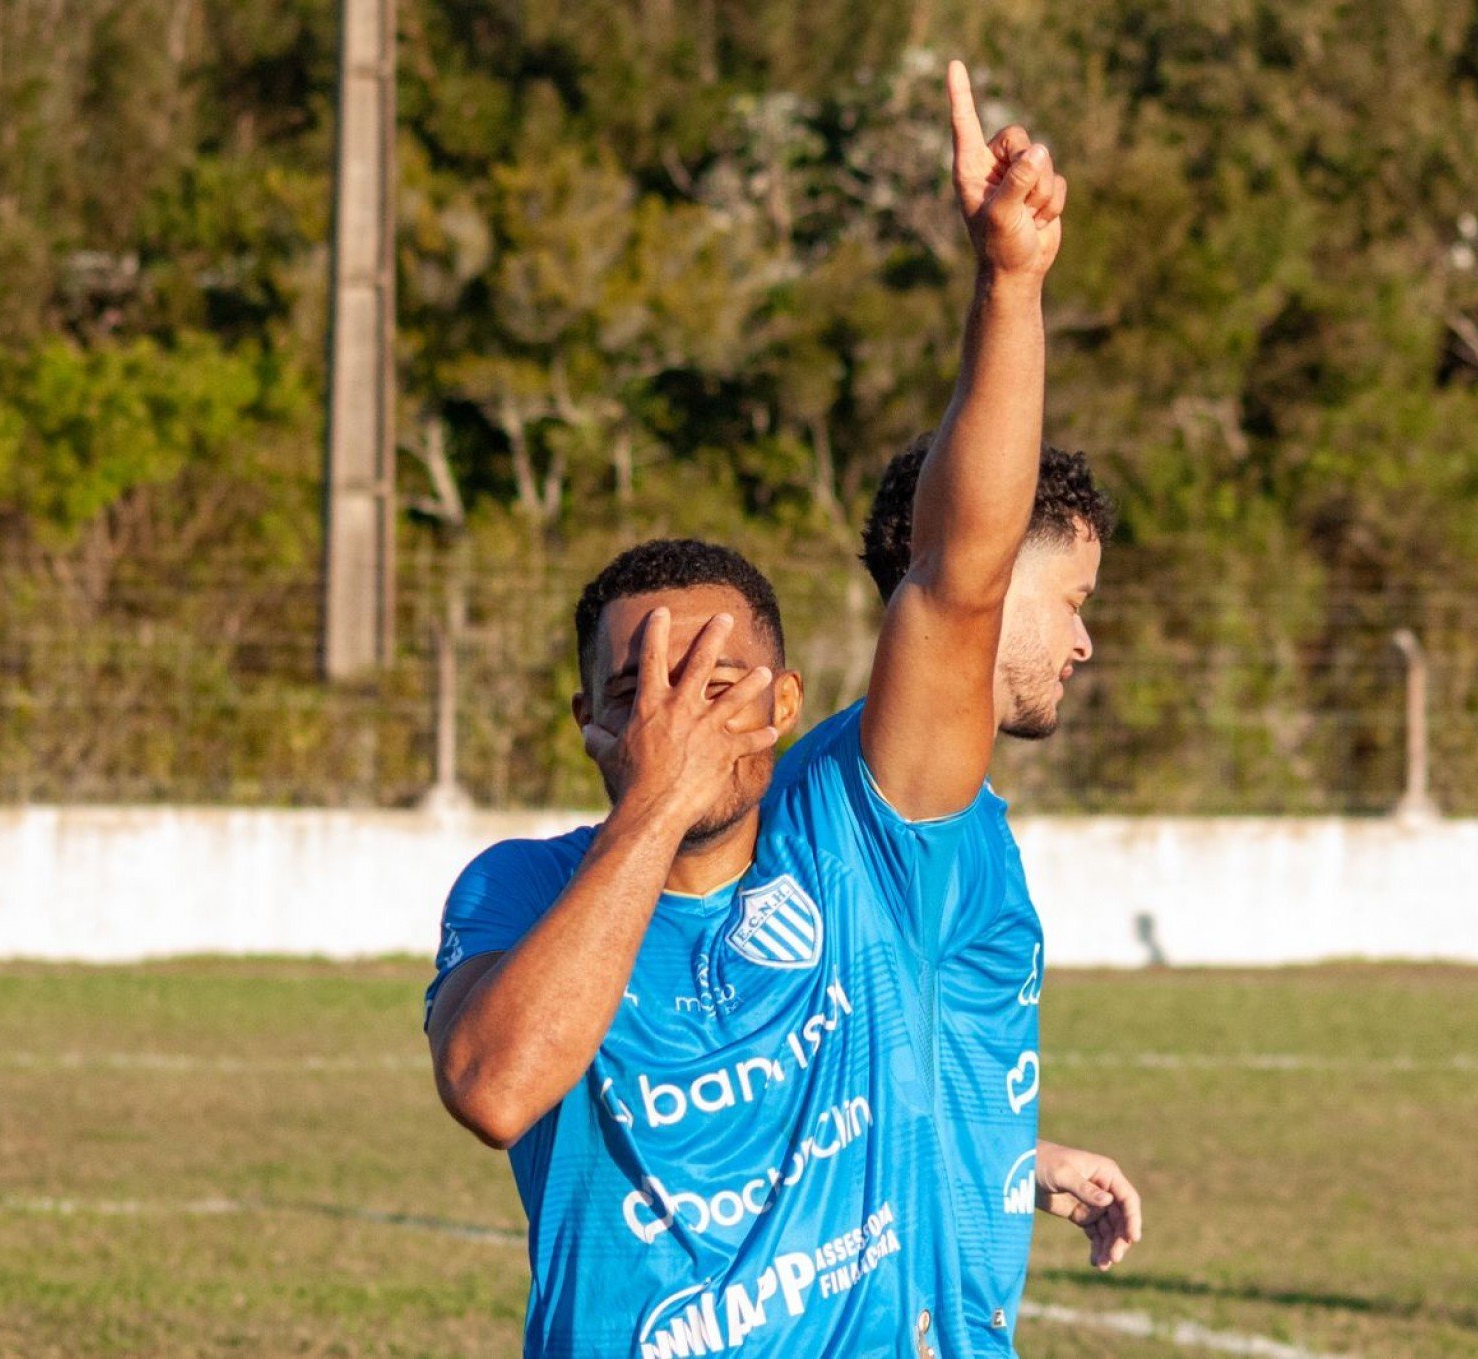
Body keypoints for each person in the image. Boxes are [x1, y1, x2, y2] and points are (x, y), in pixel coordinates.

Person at [424, 61, 1135, 1357]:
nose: (690, 708)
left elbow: (960, 581)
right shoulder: (518, 894)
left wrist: (1009, 288)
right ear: (587, 717)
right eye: (646, 686)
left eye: (724, 681)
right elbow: (494, 1083)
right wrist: (655, 810)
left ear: (787, 700)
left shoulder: (855, 832)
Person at [857, 435, 1128, 1352]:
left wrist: (1016, 1165)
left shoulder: (959, 809)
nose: (1085, 640)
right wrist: (1013, 293)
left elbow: (875, 1065)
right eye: (1074, 601)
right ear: (990, 579)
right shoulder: (900, 797)